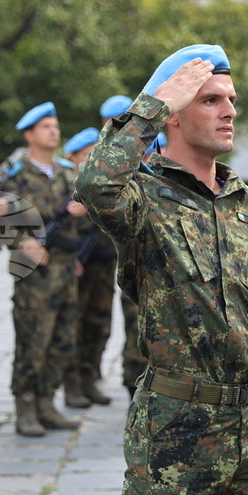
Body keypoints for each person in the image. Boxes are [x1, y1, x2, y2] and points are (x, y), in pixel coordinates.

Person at [76, 45, 248, 495]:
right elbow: (94, 184)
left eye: (231, 99)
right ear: (176, 114)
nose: (229, 111)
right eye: (210, 100)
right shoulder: (143, 198)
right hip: (176, 433)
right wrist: (153, 105)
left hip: (246, 428)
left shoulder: (245, 204)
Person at [4, 102, 88, 436]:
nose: (53, 131)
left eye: (55, 126)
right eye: (45, 127)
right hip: (33, 273)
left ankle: (47, 401)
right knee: (33, 341)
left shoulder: (67, 172)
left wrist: (86, 210)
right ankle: (25, 406)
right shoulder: (14, 173)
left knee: (63, 339)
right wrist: (21, 242)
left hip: (65, 268)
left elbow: (85, 224)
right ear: (29, 135)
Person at [98, 95, 147, 399]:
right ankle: (133, 382)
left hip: (147, 254)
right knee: (133, 323)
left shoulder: (148, 153)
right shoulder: (102, 162)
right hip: (116, 257)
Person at [62, 127, 114, 408]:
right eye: (86, 154)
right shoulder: (66, 187)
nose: (92, 159)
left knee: (99, 324)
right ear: (72, 158)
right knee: (74, 326)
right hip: (78, 267)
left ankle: (89, 376)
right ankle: (71, 382)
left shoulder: (103, 185)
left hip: (104, 265)